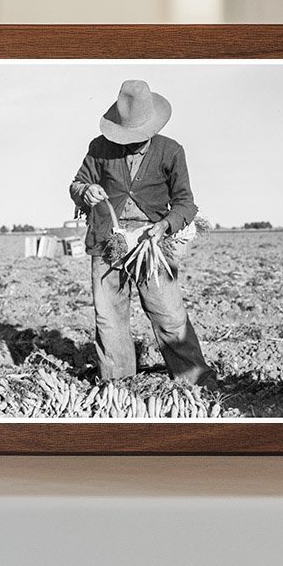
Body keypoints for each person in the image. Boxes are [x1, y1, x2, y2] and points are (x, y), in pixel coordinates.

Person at [69, 79, 216, 390]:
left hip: (153, 243)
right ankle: (119, 388)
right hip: (108, 241)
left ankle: (196, 384)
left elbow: (186, 202)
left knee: (169, 315)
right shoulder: (99, 148)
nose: (134, 141)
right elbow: (78, 184)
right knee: (109, 320)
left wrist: (165, 225)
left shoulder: (171, 151)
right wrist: (87, 192)